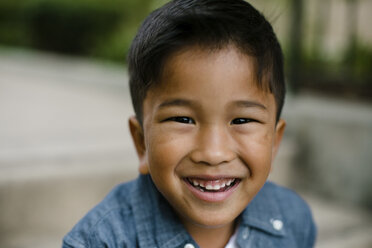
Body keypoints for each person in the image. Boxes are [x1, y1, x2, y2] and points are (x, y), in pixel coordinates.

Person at [62, 0, 316, 247]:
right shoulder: (100, 241)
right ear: (141, 143)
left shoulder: (293, 220)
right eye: (183, 119)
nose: (213, 153)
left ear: (274, 141)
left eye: (241, 120)